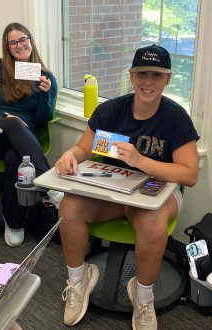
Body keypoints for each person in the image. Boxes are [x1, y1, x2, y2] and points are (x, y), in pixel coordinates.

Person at [55, 45, 199, 329]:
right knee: (69, 206)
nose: (148, 82)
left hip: (158, 193)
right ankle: (78, 280)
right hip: (114, 190)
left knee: (153, 221)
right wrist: (70, 155)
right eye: (142, 74)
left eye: (156, 75)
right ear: (132, 77)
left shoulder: (175, 117)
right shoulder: (111, 110)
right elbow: (84, 148)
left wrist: (140, 160)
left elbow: (189, 174)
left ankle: (142, 295)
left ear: (167, 79)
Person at [0, 22, 58, 247]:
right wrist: (4, 115)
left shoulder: (45, 77)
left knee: (15, 160)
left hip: (25, 139)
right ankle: (50, 184)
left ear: (30, 41)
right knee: (15, 124)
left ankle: (14, 222)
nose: (19, 45)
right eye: (13, 42)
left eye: (23, 39)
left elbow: (42, 120)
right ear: (7, 47)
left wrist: (45, 96)